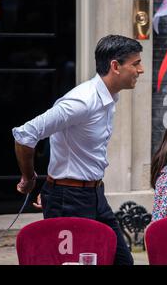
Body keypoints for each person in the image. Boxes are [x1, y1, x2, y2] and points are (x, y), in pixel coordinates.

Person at [13, 35, 144, 265]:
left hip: (94, 194)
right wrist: (30, 178)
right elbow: (26, 134)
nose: (140, 70)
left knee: (122, 261)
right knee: (75, 262)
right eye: (135, 63)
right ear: (115, 66)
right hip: (69, 198)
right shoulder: (80, 101)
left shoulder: (110, 97)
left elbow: (67, 144)